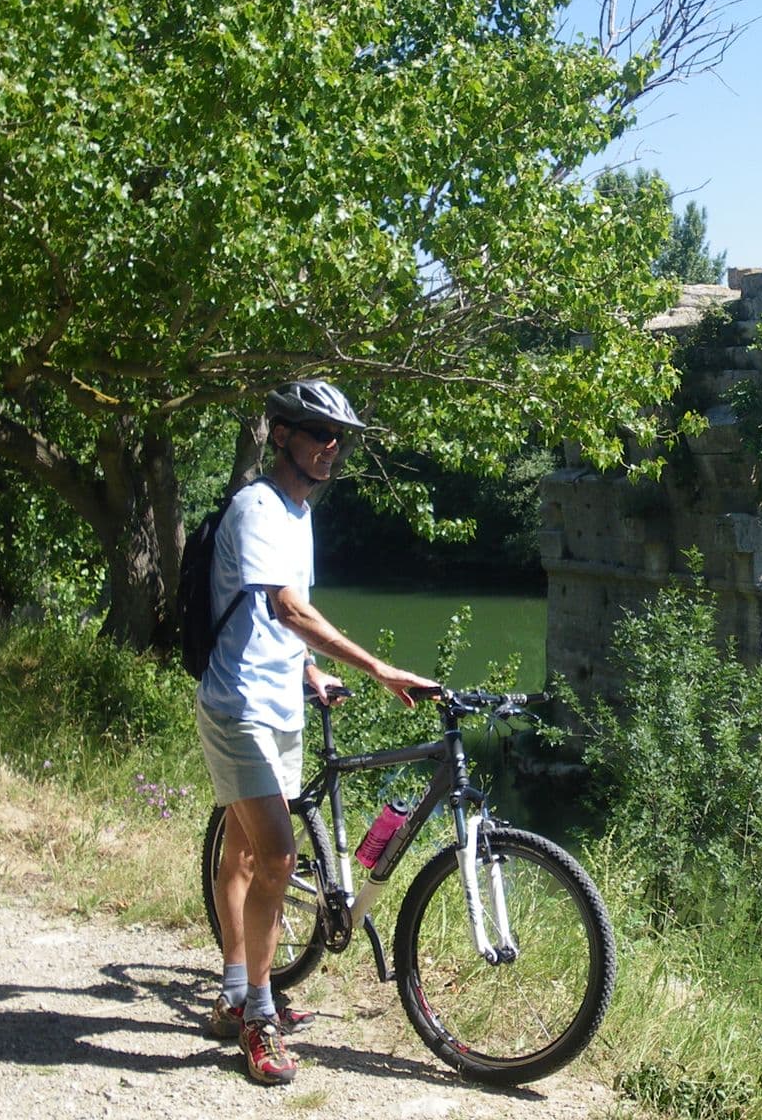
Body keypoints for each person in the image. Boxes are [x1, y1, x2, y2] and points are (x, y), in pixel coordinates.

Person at [197, 379, 439, 1086]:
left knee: (245, 851)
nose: (332, 448)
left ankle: (234, 992)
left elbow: (274, 620)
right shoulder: (256, 508)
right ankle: (259, 1017)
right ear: (282, 436)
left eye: (341, 439)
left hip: (282, 701)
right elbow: (287, 608)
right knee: (277, 856)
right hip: (237, 704)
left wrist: (309, 671)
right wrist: (376, 666)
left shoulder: (299, 513)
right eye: (319, 434)